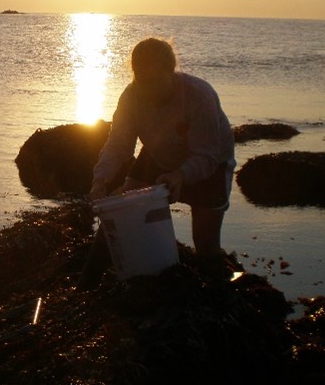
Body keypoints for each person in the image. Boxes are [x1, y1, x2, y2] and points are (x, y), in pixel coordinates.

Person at [83, 37, 235, 283]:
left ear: (171, 71)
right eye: (141, 81)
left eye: (154, 81)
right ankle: (88, 281)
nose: (148, 90)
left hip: (210, 163)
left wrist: (180, 175)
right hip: (158, 153)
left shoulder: (199, 95)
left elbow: (207, 155)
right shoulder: (131, 96)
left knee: (206, 243)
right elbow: (119, 144)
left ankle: (217, 286)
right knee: (121, 213)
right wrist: (100, 179)